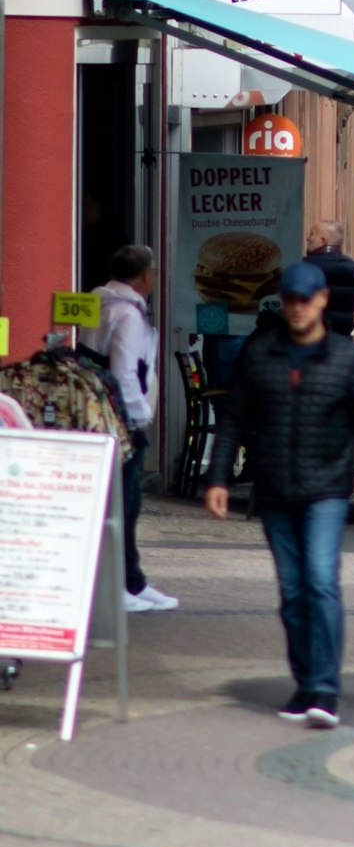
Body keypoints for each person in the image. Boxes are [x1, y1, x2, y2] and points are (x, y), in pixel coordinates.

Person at [205, 262, 354, 730]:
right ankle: (306, 681)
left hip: (327, 488)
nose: (297, 308)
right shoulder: (260, 352)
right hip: (274, 489)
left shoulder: (346, 357)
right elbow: (233, 417)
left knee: (320, 580)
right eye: (290, 299)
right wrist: (219, 478)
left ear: (322, 300)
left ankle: (326, 689)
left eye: (305, 300)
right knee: (292, 593)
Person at [83, 244, 176, 613]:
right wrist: (139, 417)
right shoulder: (129, 315)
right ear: (145, 276)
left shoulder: (96, 302)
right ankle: (116, 583)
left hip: (93, 410)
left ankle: (131, 580)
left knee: (116, 501)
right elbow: (125, 371)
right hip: (120, 416)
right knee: (123, 502)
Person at [304, 221, 354, 339]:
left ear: (323, 241)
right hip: (342, 337)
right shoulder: (351, 267)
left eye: (312, 234)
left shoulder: (306, 267)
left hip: (313, 338)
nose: (307, 238)